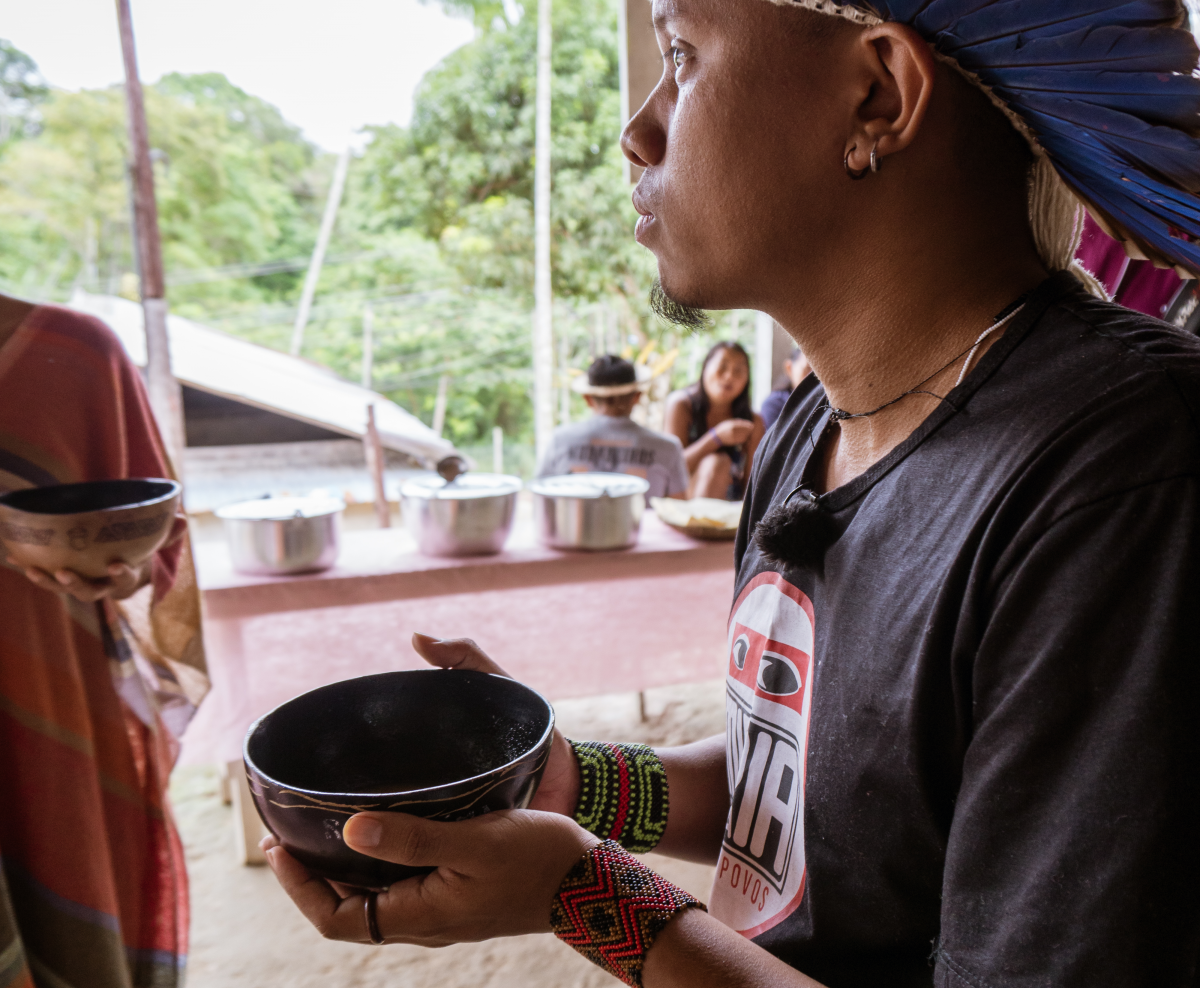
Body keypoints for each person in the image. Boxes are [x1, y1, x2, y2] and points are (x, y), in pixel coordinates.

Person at [264, 3, 1200, 987]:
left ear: (877, 93)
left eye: (681, 56)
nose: (638, 128)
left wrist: (580, 893)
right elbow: (800, 801)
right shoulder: (810, 425)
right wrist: (568, 783)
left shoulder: (1126, 481)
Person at [0, 294, 207, 988]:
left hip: (47, 706)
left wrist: (118, 570)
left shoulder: (77, 352)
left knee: (67, 903)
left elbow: (158, 541)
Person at [536, 354, 688, 501]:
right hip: (640, 527)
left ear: (588, 399)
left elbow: (541, 496)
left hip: (575, 526)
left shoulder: (560, 440)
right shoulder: (668, 448)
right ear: (637, 397)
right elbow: (679, 510)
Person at [665, 341, 765, 499]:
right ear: (705, 367)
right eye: (722, 367)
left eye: (738, 371)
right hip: (684, 507)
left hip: (731, 512)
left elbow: (752, 485)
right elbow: (670, 470)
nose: (729, 376)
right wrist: (716, 437)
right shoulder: (681, 405)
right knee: (716, 463)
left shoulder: (752, 422)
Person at [759, 345, 818, 433]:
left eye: (817, 372)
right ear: (789, 368)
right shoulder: (775, 404)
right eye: (807, 369)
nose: (814, 378)